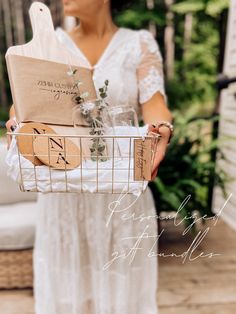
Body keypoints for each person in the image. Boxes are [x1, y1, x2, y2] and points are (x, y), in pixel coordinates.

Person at [6, 0, 173, 313]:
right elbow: (28, 103)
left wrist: (161, 129)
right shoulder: (51, 42)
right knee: (67, 291)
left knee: (123, 292)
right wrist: (18, 119)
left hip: (121, 193)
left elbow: (155, 104)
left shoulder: (139, 44)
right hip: (63, 196)